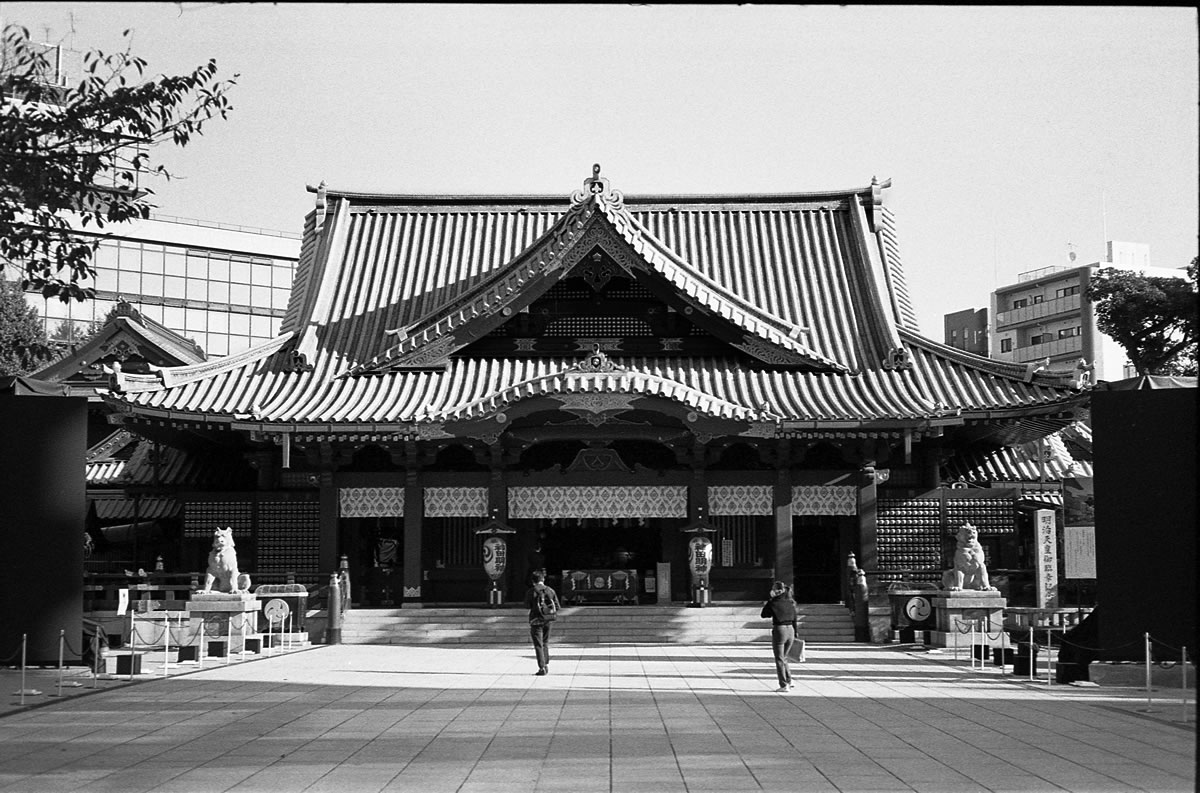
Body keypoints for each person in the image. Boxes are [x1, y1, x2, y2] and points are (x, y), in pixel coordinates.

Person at [760, 580, 799, 692]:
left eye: (773, 589)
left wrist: (770, 600)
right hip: (790, 629)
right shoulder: (791, 602)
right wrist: (796, 632)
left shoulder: (773, 603)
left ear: (778, 591)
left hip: (780, 629)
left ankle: (783, 684)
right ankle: (790, 680)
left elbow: (764, 614)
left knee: (779, 658)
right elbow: (795, 618)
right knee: (785, 657)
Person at [524, 569, 561, 676]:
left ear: (533, 581)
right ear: (543, 579)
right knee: (545, 642)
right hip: (548, 620)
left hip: (536, 621)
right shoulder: (550, 591)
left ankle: (542, 667)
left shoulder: (531, 592)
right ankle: (546, 663)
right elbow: (557, 607)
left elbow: (527, 606)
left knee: (538, 645)